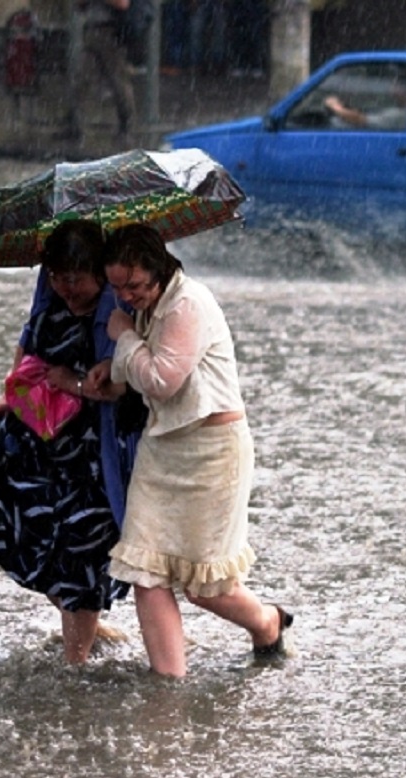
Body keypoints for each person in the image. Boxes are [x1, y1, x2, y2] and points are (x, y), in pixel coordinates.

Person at [100, 224, 291, 678]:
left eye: (135, 285)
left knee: (205, 587)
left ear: (159, 269)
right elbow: (139, 379)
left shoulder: (189, 302)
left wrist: (124, 338)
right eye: (117, 287)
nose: (126, 295)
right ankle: (169, 687)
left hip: (212, 452)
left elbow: (165, 380)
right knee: (146, 573)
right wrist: (104, 372)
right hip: (161, 449)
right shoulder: (146, 310)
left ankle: (268, 623)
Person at [0, 219, 140, 664]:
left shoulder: (118, 316)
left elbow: (117, 387)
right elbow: (29, 356)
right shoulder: (49, 303)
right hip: (39, 442)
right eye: (58, 277)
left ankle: (75, 663)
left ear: (99, 272)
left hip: (93, 453)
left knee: (84, 546)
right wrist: (13, 396)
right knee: (6, 513)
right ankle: (82, 628)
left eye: (76, 278)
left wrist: (71, 381)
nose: (66, 287)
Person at [62, 0, 136, 143]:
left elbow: (122, 4)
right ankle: (75, 124)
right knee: (82, 78)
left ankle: (127, 127)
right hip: (92, 29)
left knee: (118, 81)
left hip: (111, 30)